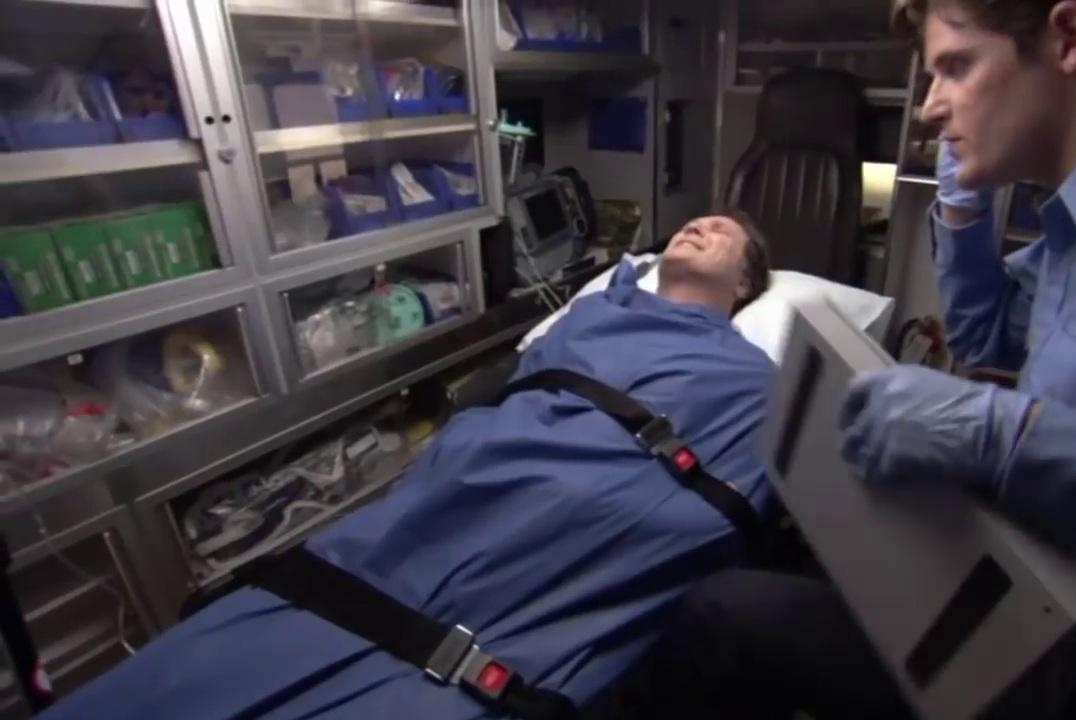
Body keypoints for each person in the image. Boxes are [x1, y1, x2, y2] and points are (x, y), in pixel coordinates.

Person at [632, 1, 1076, 719]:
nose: (930, 107)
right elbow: (989, 337)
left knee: (724, 617)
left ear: (1068, 38)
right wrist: (963, 210)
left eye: (956, 67)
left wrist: (1016, 442)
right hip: (1048, 585)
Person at [42, 212, 776, 720]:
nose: (699, 226)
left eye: (721, 232)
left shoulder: (753, 375)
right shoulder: (593, 313)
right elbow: (522, 393)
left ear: (744, 284)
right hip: (452, 500)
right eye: (694, 221)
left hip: (571, 520)